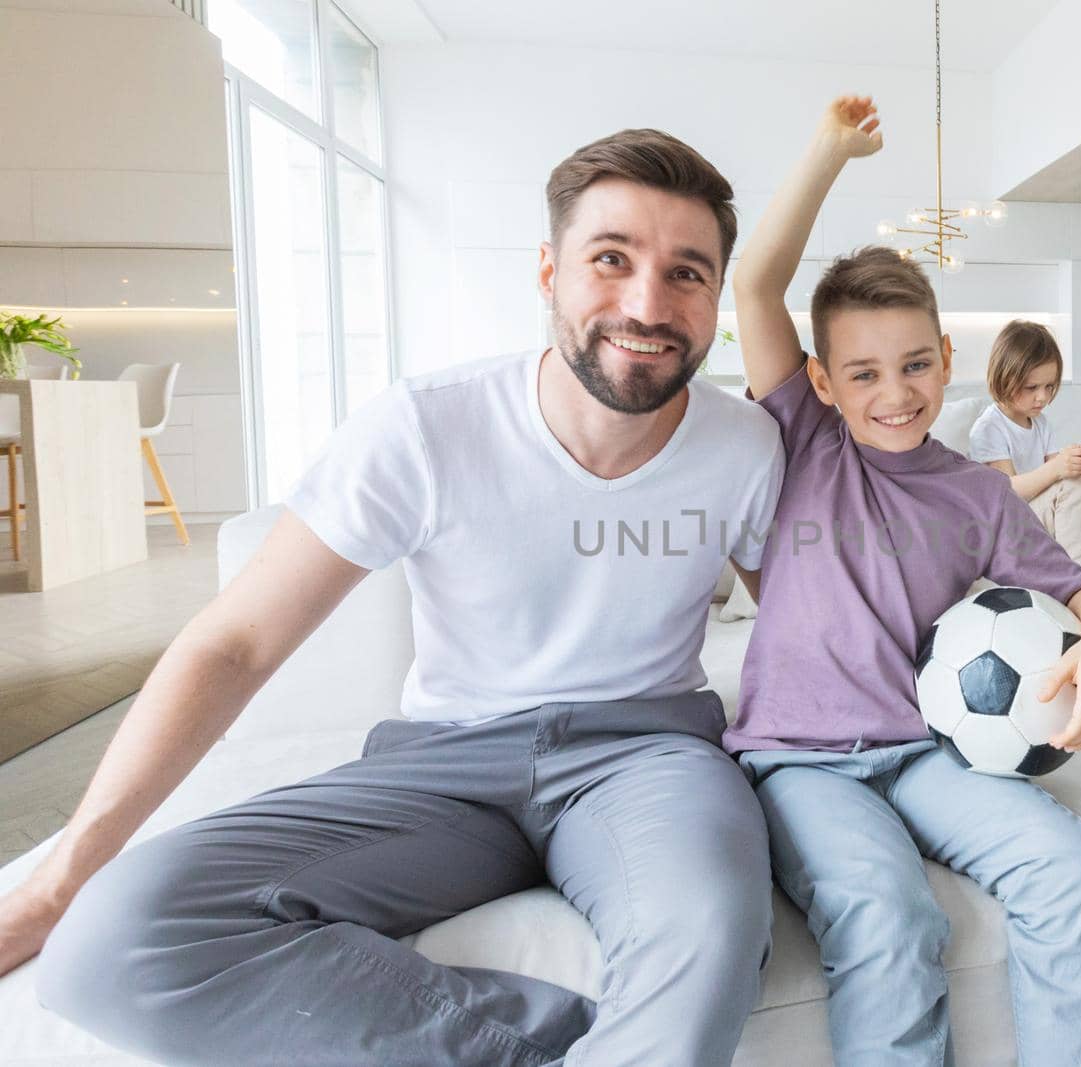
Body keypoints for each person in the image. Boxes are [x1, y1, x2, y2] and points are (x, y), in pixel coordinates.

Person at [0, 129, 786, 1067]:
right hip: (447, 764)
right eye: (610, 258)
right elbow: (235, 646)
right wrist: (59, 882)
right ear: (548, 270)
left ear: (715, 298)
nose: (647, 303)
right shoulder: (425, 427)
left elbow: (811, 627)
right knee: (107, 941)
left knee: (709, 932)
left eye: (687, 273)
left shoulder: (747, 446)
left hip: (647, 754)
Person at [721, 95, 1081, 1067]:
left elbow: (1077, 587)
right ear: (821, 383)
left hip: (924, 752)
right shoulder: (809, 443)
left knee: (1068, 862)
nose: (893, 391)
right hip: (800, 761)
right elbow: (754, 287)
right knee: (889, 914)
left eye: (913, 364)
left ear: (947, 361)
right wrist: (827, 153)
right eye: (861, 373)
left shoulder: (978, 495)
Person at [970, 319, 1081, 608]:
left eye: (1050, 386)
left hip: (1049, 512)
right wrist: (1059, 469)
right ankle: (1080, 585)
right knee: (1073, 487)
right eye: (1031, 387)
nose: (1043, 396)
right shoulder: (989, 428)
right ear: (1004, 378)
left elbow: (1061, 479)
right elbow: (1007, 494)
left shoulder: (1040, 422)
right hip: (1017, 524)